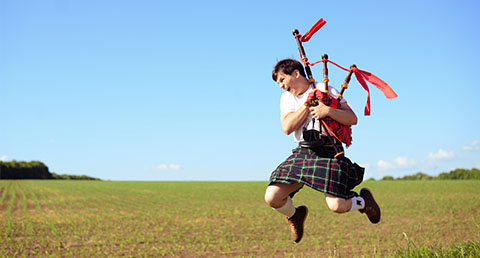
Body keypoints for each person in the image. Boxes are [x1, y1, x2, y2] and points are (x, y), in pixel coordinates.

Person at [264, 58, 381, 243]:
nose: (281, 86)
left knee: (337, 206)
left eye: (282, 80)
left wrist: (328, 111)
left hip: (329, 152)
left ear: (296, 73)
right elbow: (287, 127)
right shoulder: (287, 98)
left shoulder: (326, 89)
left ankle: (363, 202)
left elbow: (352, 118)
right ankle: (295, 215)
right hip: (304, 151)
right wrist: (308, 104)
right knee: (272, 197)